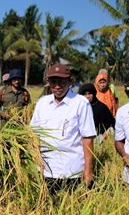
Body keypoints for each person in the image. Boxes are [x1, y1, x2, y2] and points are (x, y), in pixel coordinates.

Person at [30, 63, 96, 196]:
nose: (57, 86)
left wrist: (88, 171)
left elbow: (87, 139)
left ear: (70, 81)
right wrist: (35, 164)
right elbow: (34, 135)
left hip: (72, 172)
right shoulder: (42, 103)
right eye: (53, 81)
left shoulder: (80, 103)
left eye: (62, 81)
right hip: (46, 170)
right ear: (48, 82)